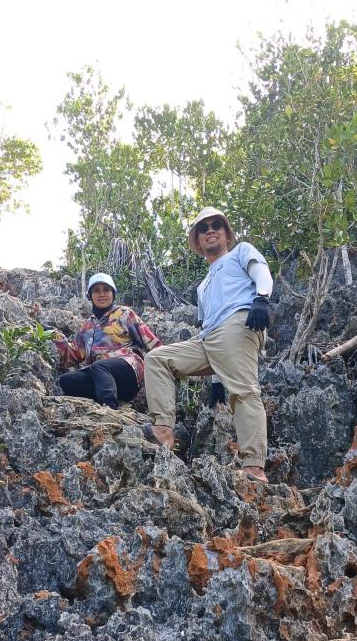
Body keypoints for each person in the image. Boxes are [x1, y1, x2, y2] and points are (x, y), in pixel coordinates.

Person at [143, 207, 272, 482]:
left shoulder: (240, 253)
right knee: (158, 359)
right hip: (209, 338)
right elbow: (207, 328)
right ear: (198, 242)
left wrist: (262, 297)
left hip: (238, 324)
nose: (210, 230)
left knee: (244, 392)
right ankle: (164, 431)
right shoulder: (202, 286)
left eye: (217, 225)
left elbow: (262, 271)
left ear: (227, 235)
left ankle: (254, 467)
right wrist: (215, 381)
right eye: (203, 228)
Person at [54, 273, 162, 409]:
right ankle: (104, 398)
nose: (102, 294)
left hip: (128, 371)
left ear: (113, 293)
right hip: (100, 377)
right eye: (96, 290)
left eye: (106, 289)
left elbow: (152, 342)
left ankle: (110, 409)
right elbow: (72, 356)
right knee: (66, 380)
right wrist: (56, 337)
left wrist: (166, 366)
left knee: (100, 366)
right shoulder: (87, 326)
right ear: (90, 295)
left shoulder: (125, 314)